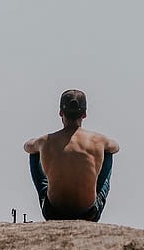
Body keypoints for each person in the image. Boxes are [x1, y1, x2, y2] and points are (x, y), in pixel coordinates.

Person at [23, 89, 120, 222]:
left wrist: (39, 144)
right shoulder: (98, 140)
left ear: (60, 113)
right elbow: (116, 147)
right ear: (84, 114)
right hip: (89, 214)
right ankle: (92, 194)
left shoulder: (46, 141)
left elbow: (27, 147)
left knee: (34, 154)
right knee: (108, 153)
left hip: (53, 213)